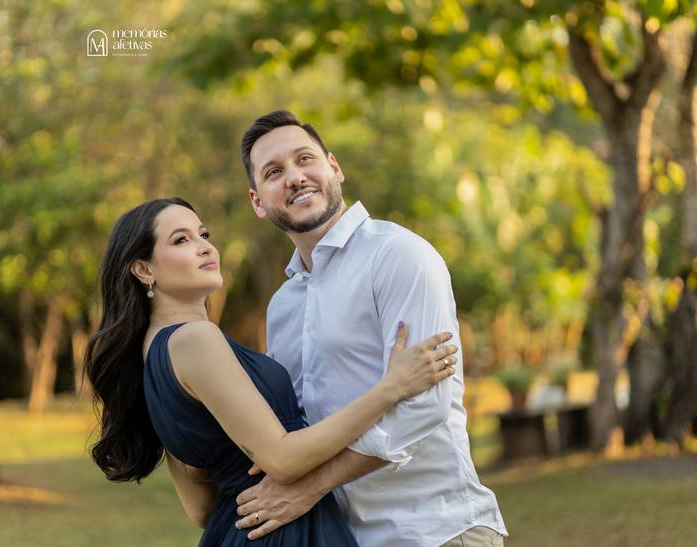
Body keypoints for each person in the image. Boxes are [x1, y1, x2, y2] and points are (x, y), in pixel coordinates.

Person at [84, 197, 459, 546]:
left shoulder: (150, 356)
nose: (204, 246)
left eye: (204, 234)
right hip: (285, 531)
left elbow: (199, 508)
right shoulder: (195, 339)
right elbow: (282, 459)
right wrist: (391, 388)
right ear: (144, 269)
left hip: (242, 529)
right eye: (181, 240)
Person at [233, 110, 508, 546]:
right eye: (274, 172)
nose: (295, 177)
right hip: (341, 537)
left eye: (305, 159)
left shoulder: (399, 256)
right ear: (257, 202)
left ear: (334, 167)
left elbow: (423, 408)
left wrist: (309, 488)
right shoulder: (282, 306)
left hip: (435, 531)